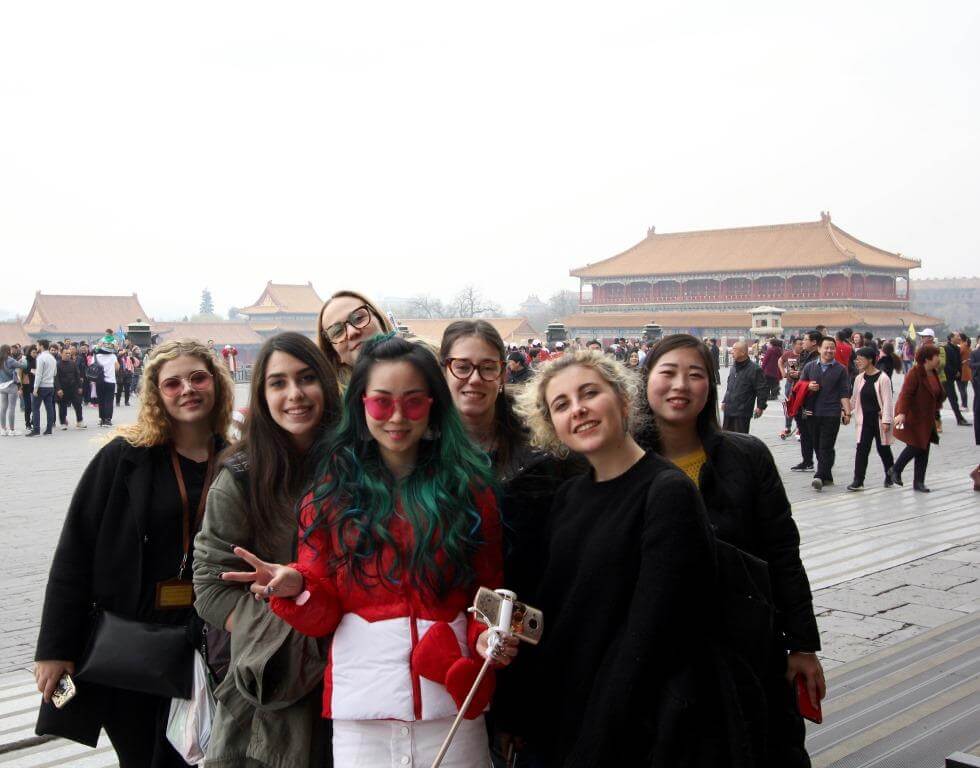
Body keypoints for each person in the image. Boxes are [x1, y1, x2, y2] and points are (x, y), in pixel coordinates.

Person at [221, 334, 510, 767]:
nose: (397, 417)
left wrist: (486, 637)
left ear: (433, 404)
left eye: (413, 402)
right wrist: (294, 587)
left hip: (453, 701)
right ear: (361, 405)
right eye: (381, 402)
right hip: (362, 714)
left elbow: (486, 592)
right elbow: (323, 615)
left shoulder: (470, 490)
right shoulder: (330, 494)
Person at [509, 349, 749, 766]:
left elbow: (650, 636)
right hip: (565, 712)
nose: (579, 410)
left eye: (590, 393)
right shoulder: (568, 497)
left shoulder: (667, 492)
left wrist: (594, 746)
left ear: (622, 399)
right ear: (553, 427)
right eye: (561, 405)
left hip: (628, 729)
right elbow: (555, 612)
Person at [34, 339, 235, 767]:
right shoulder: (123, 459)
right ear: (156, 394)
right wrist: (54, 648)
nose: (188, 389)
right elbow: (74, 551)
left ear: (216, 384)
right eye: (173, 383)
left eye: (198, 378)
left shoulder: (240, 460)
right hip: (133, 644)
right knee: (145, 757)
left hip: (214, 640)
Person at [635, 334, 823, 768]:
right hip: (660, 658)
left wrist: (802, 645)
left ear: (711, 386)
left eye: (695, 374)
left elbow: (783, 552)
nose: (680, 385)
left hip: (746, 650)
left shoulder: (748, 456)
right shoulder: (622, 465)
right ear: (645, 383)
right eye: (667, 373)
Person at [193, 333, 341, 767]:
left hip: (360, 670)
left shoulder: (361, 464)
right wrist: (284, 623)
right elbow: (210, 586)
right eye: (278, 383)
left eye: (306, 378)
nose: (294, 394)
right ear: (262, 395)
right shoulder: (242, 476)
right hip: (278, 693)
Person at [889, 345, 945, 492]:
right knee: (916, 446)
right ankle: (895, 469)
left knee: (924, 448)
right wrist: (901, 413)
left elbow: (936, 393)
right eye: (936, 356)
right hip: (914, 417)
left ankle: (918, 482)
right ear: (927, 359)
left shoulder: (933, 372)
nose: (938, 358)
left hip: (927, 417)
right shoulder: (915, 373)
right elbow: (905, 394)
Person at [800, 336, 851, 490]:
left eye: (832, 348)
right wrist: (808, 386)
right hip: (811, 412)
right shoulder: (809, 367)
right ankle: (827, 475)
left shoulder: (841, 369)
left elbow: (844, 392)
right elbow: (800, 386)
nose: (829, 350)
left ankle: (819, 476)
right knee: (817, 445)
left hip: (831, 413)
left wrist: (847, 412)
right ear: (819, 349)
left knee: (825, 446)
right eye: (826, 347)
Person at [316, 290, 393, 387]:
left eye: (358, 318)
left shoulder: (418, 367)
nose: (351, 332)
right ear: (335, 354)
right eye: (337, 331)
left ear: (380, 321)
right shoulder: (331, 401)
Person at [848, 348, 895, 491]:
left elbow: (888, 401)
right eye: (857, 359)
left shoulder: (883, 378)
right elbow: (854, 399)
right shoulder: (859, 378)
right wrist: (846, 411)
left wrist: (887, 420)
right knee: (861, 449)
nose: (857, 361)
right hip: (864, 420)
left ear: (870, 360)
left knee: (883, 449)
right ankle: (858, 480)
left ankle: (890, 475)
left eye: (860, 358)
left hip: (879, 420)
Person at [721, 341, 767, 433]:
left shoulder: (755, 369)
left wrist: (760, 406)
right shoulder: (733, 367)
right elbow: (729, 386)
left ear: (743, 352)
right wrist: (725, 400)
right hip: (729, 408)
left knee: (740, 438)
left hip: (743, 410)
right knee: (726, 437)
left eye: (734, 350)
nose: (731, 352)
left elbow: (762, 389)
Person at [28, 339, 57, 437]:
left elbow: (39, 374)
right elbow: (55, 373)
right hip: (50, 385)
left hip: (41, 386)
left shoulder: (40, 357)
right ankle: (49, 429)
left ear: (41, 345)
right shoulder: (52, 358)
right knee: (49, 408)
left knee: (35, 408)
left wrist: (35, 388)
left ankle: (36, 430)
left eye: (37, 345)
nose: (36, 347)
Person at [55, 344, 86, 430]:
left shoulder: (73, 363)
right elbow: (56, 378)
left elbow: (77, 375)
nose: (68, 355)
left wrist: (80, 387)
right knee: (62, 407)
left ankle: (80, 421)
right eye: (66, 353)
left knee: (78, 405)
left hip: (73, 388)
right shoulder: (57, 364)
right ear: (61, 354)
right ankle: (63, 423)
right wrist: (58, 389)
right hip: (63, 389)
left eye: (69, 353)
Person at [943, 333, 970, 426]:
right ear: (951, 338)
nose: (959, 338)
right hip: (947, 378)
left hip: (955, 376)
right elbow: (946, 364)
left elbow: (958, 362)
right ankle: (959, 419)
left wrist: (959, 371)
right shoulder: (946, 348)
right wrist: (955, 372)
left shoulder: (957, 349)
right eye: (957, 336)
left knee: (941, 398)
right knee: (953, 398)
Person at [94, 342, 119, 427]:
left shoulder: (96, 356)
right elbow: (117, 367)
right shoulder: (113, 356)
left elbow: (92, 366)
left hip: (99, 381)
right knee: (109, 400)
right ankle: (108, 419)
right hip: (110, 381)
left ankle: (102, 418)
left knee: (101, 400)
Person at [1, 344, 23, 435]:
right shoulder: (10, 360)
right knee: (11, 408)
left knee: (3, 408)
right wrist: (22, 361)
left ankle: (3, 429)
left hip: (2, 386)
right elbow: (22, 366)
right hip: (11, 386)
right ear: (8, 351)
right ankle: (12, 430)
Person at [957, 332, 972, 409]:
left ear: (960, 338)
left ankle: (964, 405)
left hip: (962, 370)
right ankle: (964, 404)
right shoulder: (968, 346)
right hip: (967, 370)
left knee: (962, 389)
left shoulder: (962, 347)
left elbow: (957, 358)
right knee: (963, 388)